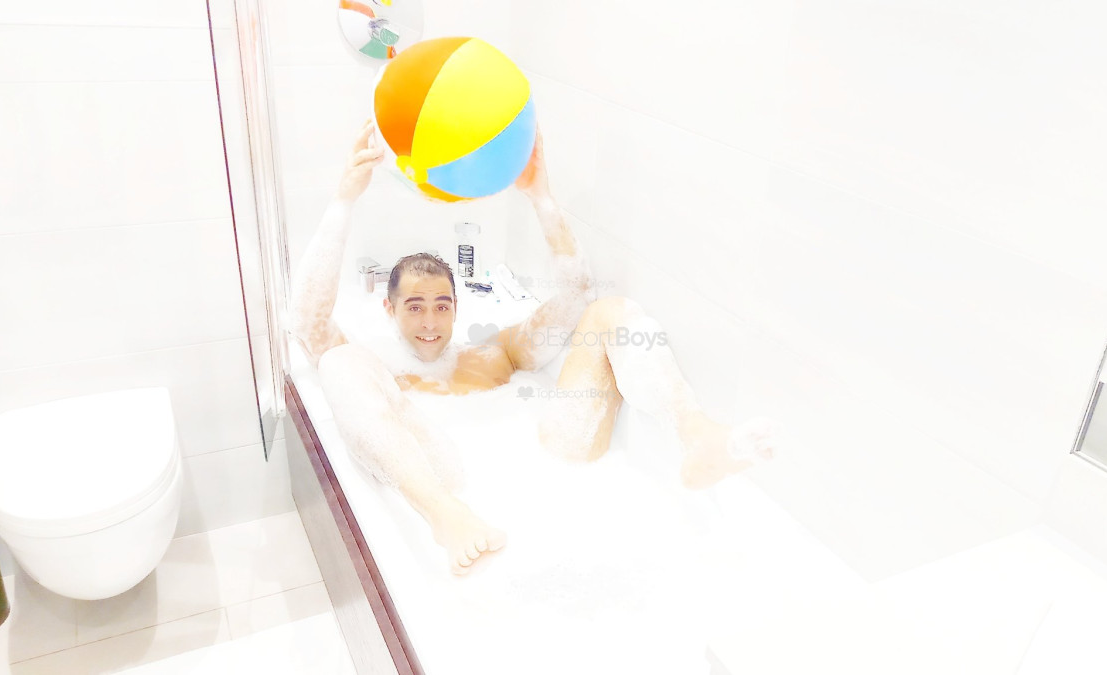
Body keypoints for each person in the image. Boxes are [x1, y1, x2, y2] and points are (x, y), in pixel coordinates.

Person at [290, 120, 774, 575]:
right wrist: (343, 201)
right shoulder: (379, 365)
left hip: (552, 466)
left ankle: (696, 435)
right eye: (414, 307)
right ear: (389, 309)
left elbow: (575, 295)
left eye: (442, 305)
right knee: (337, 360)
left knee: (610, 311)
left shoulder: (496, 354)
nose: (430, 321)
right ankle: (442, 516)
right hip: (449, 481)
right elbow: (309, 328)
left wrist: (541, 197)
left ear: (457, 308)